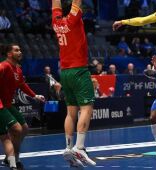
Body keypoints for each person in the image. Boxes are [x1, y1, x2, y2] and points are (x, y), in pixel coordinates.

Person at [52, 0, 96, 167]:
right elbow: (77, 3)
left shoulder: (56, 21)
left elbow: (55, 4)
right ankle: (80, 147)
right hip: (79, 71)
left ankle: (69, 148)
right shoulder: (73, 19)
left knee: (71, 113)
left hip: (64, 73)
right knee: (86, 108)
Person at [0, 44, 45, 169]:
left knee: (24, 128)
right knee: (17, 130)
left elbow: (22, 85)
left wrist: (35, 96)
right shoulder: (3, 66)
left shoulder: (18, 70)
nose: (20, 52)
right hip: (1, 105)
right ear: (9, 54)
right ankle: (14, 160)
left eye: (20, 50)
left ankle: (10, 157)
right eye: (16, 50)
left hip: (8, 105)